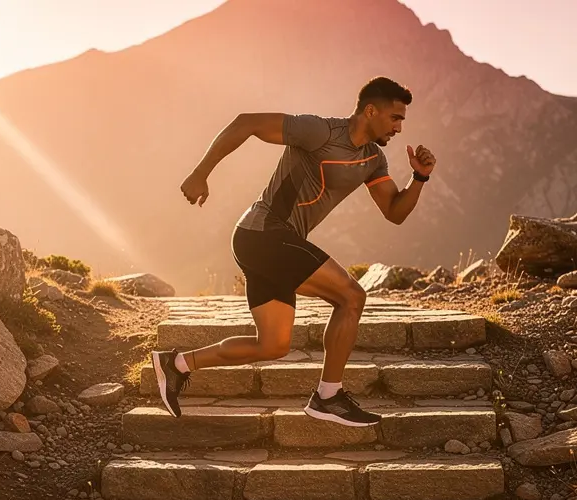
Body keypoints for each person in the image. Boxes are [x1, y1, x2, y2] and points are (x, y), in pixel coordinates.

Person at [152, 76, 436, 426]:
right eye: (395, 118)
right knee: (351, 297)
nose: (399, 128)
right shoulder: (320, 133)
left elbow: (394, 212)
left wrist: (419, 178)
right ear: (370, 110)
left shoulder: (373, 160)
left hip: (269, 242)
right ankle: (328, 397)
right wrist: (200, 173)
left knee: (272, 345)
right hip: (264, 233)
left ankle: (176, 364)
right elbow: (248, 123)